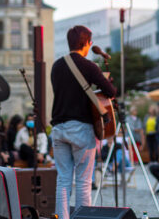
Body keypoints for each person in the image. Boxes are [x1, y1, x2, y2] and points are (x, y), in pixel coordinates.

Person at [50, 25, 117, 219]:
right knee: (83, 181)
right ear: (87, 43)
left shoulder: (57, 66)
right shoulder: (89, 66)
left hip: (58, 128)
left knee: (63, 180)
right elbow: (111, 92)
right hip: (80, 128)